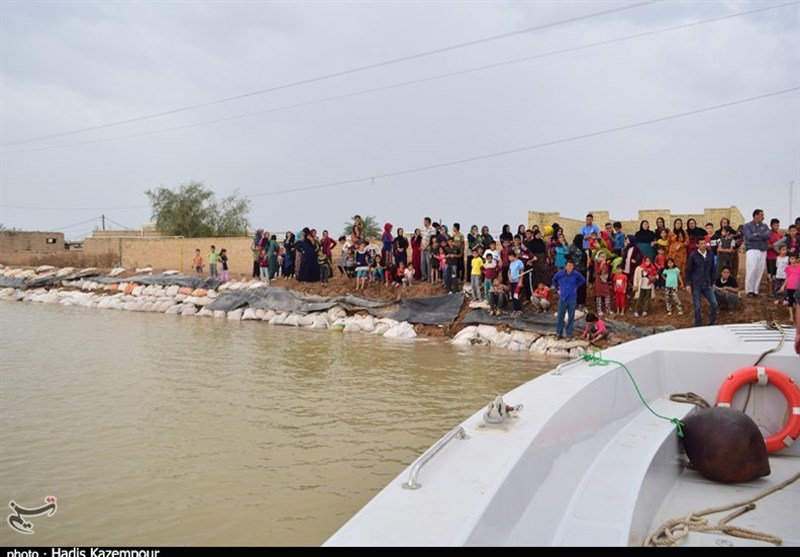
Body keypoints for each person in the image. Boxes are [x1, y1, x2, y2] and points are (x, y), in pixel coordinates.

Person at [685, 237, 718, 327]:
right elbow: (688, 270)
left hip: (707, 282)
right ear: (697, 245)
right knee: (697, 306)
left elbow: (713, 269)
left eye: (704, 243)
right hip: (696, 283)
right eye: (701, 244)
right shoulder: (693, 256)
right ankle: (698, 324)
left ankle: (711, 323)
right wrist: (687, 283)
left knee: (714, 304)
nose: (703, 245)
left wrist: (713, 282)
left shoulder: (710, 254)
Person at [551, 259, 586, 339]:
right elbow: (554, 280)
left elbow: (583, 280)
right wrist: (557, 289)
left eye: (572, 266)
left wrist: (576, 286)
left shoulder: (576, 274)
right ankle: (558, 333)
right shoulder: (560, 273)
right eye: (569, 266)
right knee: (560, 316)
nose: (570, 267)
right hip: (562, 297)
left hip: (572, 297)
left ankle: (569, 334)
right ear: (565, 266)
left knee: (571, 317)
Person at [742, 208, 769, 297]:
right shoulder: (747, 226)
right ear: (756, 216)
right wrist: (762, 236)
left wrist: (757, 234)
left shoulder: (765, 226)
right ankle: (749, 290)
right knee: (751, 269)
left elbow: (768, 235)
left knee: (759, 270)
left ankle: (755, 291)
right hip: (752, 249)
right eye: (761, 215)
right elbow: (749, 237)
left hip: (762, 250)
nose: (763, 217)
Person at [779, 253, 800, 323]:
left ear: (797, 259)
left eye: (793, 258)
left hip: (797, 288)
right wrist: (783, 286)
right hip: (789, 287)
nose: (791, 260)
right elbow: (787, 277)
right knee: (790, 302)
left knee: (797, 302)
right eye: (790, 258)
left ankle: (797, 316)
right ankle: (791, 317)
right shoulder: (788, 267)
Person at [766, 218, 783, 297]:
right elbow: (767, 246)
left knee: (776, 275)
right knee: (770, 274)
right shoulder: (767, 235)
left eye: (778, 225)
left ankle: (775, 291)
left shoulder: (780, 235)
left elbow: (782, 246)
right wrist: (774, 245)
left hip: (778, 258)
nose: (776, 227)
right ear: (771, 225)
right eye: (775, 225)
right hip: (770, 257)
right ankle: (770, 291)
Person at [593, 251, 612, 317]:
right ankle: (599, 310)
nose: (603, 258)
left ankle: (608, 309)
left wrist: (607, 274)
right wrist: (601, 265)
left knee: (607, 294)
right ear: (598, 257)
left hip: (604, 280)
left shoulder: (606, 263)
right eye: (601, 257)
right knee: (599, 295)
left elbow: (607, 270)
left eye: (604, 257)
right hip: (598, 280)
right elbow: (598, 271)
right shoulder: (596, 263)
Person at [507, 250, 525, 315]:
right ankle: (515, 309)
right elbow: (509, 271)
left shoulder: (519, 262)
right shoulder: (511, 263)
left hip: (517, 282)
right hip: (512, 282)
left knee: (516, 295)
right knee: (512, 296)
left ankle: (519, 310)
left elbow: (522, 272)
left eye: (509, 257)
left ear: (512, 256)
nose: (509, 258)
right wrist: (509, 277)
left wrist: (520, 281)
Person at [420, 217, 435, 282]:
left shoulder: (432, 229)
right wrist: (421, 245)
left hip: (428, 248)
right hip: (422, 248)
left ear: (428, 222)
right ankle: (424, 276)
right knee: (422, 262)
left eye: (424, 221)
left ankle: (429, 277)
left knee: (428, 263)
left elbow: (432, 239)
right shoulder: (423, 228)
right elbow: (422, 238)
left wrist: (426, 247)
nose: (423, 222)